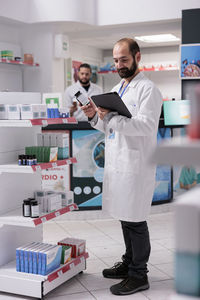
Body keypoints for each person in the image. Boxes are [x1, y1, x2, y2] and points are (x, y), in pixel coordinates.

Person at [81, 38, 162, 296]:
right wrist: (95, 117)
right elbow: (110, 128)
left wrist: (113, 117)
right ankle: (129, 263)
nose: (119, 65)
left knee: (136, 220)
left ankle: (139, 274)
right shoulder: (119, 88)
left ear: (137, 57)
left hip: (137, 165)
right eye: (116, 60)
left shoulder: (149, 89)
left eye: (124, 60)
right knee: (125, 217)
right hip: (118, 164)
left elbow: (145, 126)